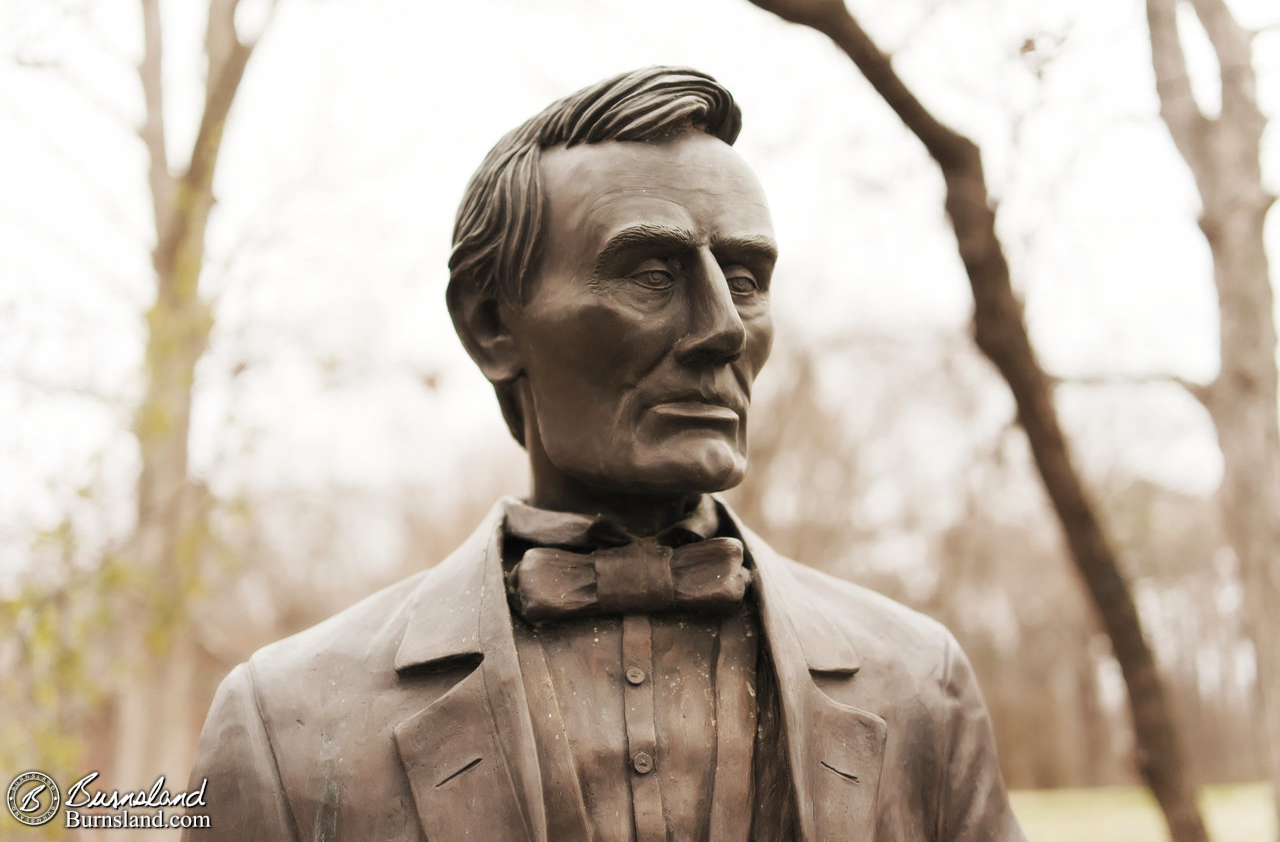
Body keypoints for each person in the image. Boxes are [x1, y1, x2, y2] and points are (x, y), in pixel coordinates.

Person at [185, 66, 1025, 842]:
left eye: (743, 279)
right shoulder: (285, 724)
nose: (723, 329)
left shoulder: (920, 690)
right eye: (652, 275)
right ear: (491, 326)